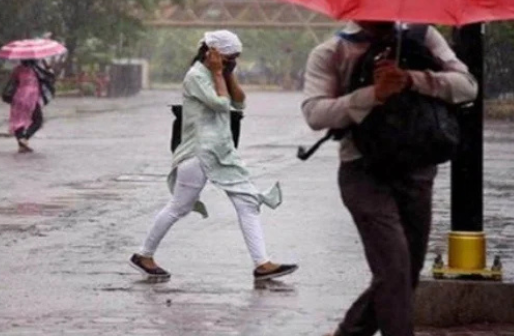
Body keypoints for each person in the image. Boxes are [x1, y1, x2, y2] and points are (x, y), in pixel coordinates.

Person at [302, 21, 477, 336]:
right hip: (363, 171)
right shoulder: (332, 51)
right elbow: (316, 114)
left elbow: (467, 86)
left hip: (417, 168)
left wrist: (412, 79)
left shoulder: (424, 37)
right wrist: (373, 94)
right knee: (394, 269)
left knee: (405, 272)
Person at [129, 30, 297, 282]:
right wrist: (219, 74)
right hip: (201, 153)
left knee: (246, 203)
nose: (233, 62)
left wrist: (227, 74)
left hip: (220, 152)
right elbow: (220, 104)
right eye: (230, 57)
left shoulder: (218, 75)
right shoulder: (196, 76)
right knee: (179, 207)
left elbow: (238, 103)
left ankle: (262, 264)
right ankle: (144, 255)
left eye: (236, 58)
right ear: (213, 53)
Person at [7, 60, 55, 153]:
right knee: (38, 120)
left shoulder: (17, 69)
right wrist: (48, 67)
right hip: (31, 97)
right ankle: (24, 138)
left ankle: (22, 146)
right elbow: (49, 77)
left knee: (18, 121)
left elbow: (14, 80)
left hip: (18, 96)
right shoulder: (37, 69)